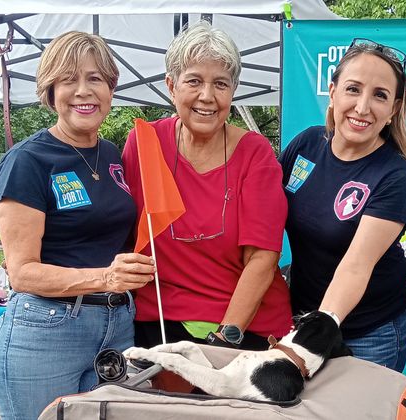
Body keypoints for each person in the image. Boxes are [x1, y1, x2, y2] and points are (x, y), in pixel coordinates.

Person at [0, 31, 156, 419]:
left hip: (116, 325)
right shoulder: (27, 161)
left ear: (111, 89)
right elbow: (22, 272)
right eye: (69, 80)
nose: (84, 91)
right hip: (46, 330)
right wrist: (105, 279)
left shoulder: (110, 153)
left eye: (96, 79)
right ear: (50, 92)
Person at [121, 21, 291, 351]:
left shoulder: (255, 154)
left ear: (233, 90)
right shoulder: (144, 143)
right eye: (194, 81)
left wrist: (226, 338)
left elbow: (262, 259)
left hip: (242, 329)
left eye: (221, 84)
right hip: (159, 322)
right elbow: (118, 226)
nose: (207, 96)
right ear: (171, 85)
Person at [279, 38, 406, 372]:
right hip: (303, 318)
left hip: (370, 332)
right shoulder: (306, 144)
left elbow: (356, 266)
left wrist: (316, 334)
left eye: (380, 95)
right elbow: (263, 218)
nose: (362, 106)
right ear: (333, 92)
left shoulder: (393, 174)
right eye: (353, 89)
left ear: (394, 109)